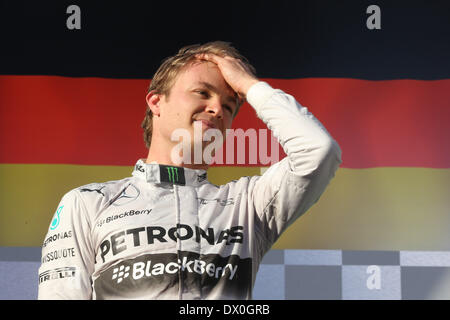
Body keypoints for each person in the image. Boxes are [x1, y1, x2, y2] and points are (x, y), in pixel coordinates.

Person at [38, 41, 342, 299]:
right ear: (156, 102)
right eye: (203, 93)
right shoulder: (88, 202)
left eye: (229, 105)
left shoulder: (248, 205)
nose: (217, 109)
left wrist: (250, 86)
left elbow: (318, 151)